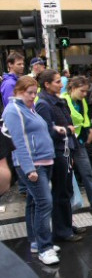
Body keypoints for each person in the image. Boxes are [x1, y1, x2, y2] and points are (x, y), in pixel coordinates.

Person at [2, 76, 61, 264]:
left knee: (35, 203)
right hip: (33, 163)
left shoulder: (27, 109)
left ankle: (37, 242)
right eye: (30, 93)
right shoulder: (14, 110)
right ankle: (45, 247)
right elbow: (18, 142)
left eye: (35, 93)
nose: (33, 96)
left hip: (42, 161)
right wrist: (28, 168)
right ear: (18, 91)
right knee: (44, 203)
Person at [36, 70, 82, 244]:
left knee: (66, 191)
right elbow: (46, 130)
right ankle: (62, 230)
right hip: (57, 151)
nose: (61, 84)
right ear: (47, 84)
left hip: (65, 149)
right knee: (60, 192)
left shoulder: (58, 101)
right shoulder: (44, 104)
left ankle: (67, 225)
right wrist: (65, 131)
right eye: (56, 82)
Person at [62, 76, 92, 213]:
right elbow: (75, 119)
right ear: (73, 88)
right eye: (82, 91)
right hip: (67, 143)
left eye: (86, 91)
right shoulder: (64, 100)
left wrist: (87, 131)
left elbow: (86, 117)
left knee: (87, 172)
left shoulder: (82, 102)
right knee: (67, 177)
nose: (84, 94)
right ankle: (69, 207)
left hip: (79, 142)